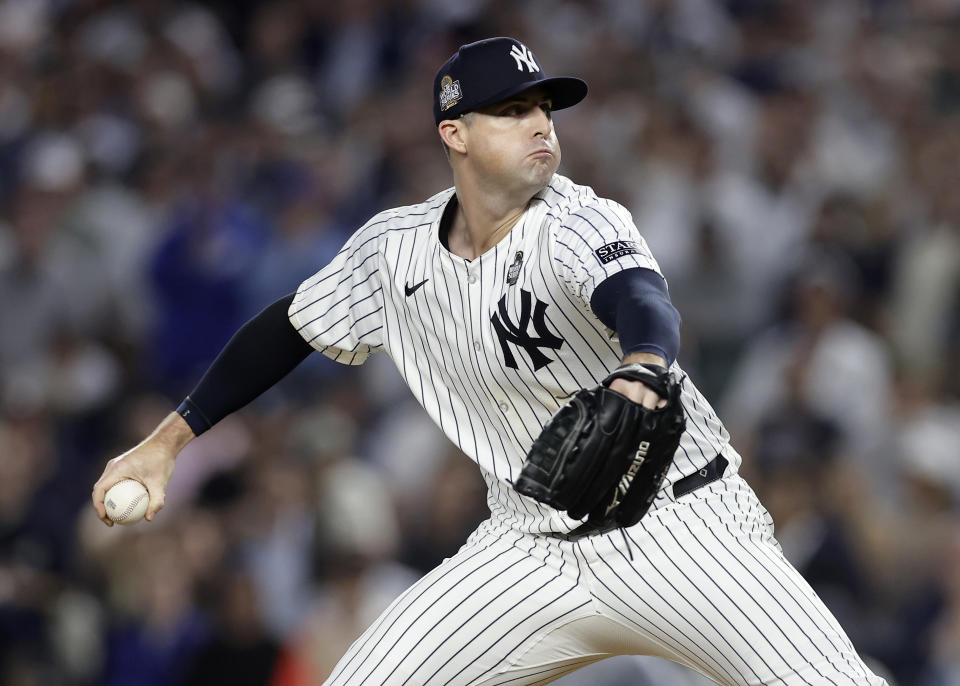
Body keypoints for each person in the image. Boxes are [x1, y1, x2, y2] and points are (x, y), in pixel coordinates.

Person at [93, 37, 887, 685]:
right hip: (527, 547)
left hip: (680, 526)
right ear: (455, 133)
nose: (542, 123)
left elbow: (641, 297)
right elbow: (285, 330)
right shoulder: (391, 251)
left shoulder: (576, 219)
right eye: (513, 110)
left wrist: (646, 360)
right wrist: (167, 443)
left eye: (545, 106)